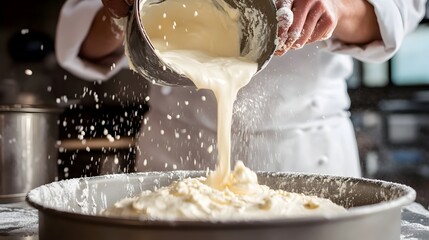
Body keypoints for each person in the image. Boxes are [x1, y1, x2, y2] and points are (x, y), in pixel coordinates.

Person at [56, 0, 426, 177]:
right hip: (174, 153)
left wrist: (337, 9)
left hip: (305, 152)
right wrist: (123, 12)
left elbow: (397, 13)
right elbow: (84, 44)